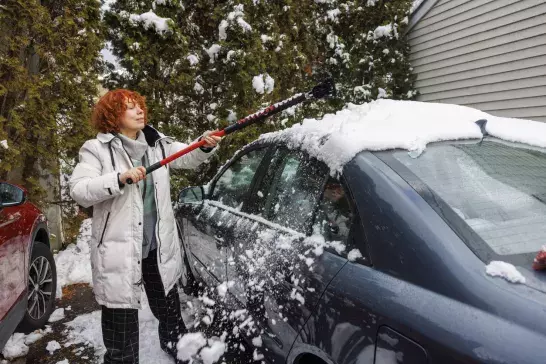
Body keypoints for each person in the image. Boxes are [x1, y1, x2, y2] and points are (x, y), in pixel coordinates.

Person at [69, 89, 221, 363]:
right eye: (130, 108)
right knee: (121, 327)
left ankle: (178, 347)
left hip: (157, 246)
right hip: (119, 253)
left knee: (169, 308)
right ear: (113, 116)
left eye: (140, 106)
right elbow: (79, 189)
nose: (140, 111)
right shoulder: (97, 149)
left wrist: (204, 145)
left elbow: (186, 156)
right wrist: (118, 178)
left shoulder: (156, 143)